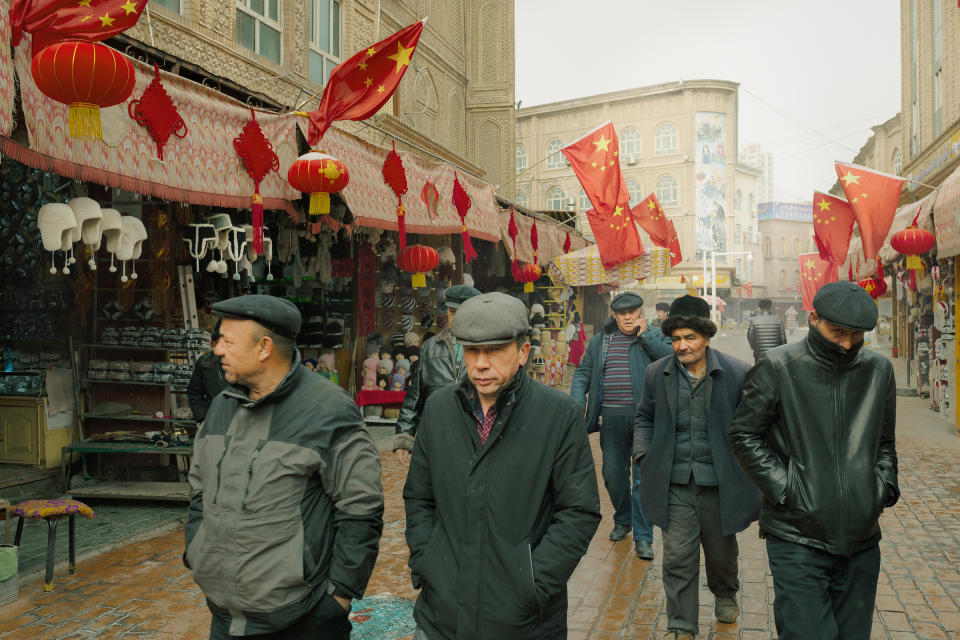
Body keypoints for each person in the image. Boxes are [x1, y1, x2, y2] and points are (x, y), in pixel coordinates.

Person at [185, 295, 384, 640]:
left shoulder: (328, 411)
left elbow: (361, 509)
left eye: (227, 341)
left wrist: (338, 597)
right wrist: (196, 551)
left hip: (302, 618)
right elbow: (200, 492)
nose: (217, 350)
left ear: (264, 348)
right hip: (226, 616)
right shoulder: (220, 407)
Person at [403, 292, 601, 639]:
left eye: (494, 351)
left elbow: (578, 511)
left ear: (523, 352)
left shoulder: (558, 415)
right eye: (471, 351)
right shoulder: (439, 409)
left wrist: (533, 583)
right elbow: (419, 497)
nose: (480, 364)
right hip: (442, 615)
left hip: (524, 620)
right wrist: (427, 562)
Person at [728, 281, 898, 640]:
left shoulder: (879, 371)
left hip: (862, 539)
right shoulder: (777, 366)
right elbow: (744, 435)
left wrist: (882, 487)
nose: (847, 343)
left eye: (856, 335)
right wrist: (787, 488)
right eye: (838, 332)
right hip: (796, 536)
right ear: (813, 318)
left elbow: (884, 443)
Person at [633, 295, 760, 640]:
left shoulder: (736, 373)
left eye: (690, 338)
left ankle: (724, 592)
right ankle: (681, 625)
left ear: (706, 338)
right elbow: (644, 417)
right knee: (676, 556)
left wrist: (747, 466)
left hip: (720, 483)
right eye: (676, 338)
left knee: (721, 553)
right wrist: (643, 453)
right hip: (673, 483)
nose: (682, 345)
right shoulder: (656, 373)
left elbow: (753, 425)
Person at [570, 292, 671, 559]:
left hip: (644, 422)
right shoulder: (600, 341)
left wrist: (645, 336)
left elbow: (671, 360)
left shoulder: (655, 337)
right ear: (614, 315)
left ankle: (643, 536)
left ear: (641, 312)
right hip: (610, 420)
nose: (628, 317)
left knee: (642, 479)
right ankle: (623, 517)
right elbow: (582, 373)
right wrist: (577, 402)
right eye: (622, 313)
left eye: (633, 312)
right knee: (613, 475)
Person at [392, 284, 481, 461]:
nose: (455, 317)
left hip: (475, 434)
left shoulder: (484, 346)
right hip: (437, 433)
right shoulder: (430, 347)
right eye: (452, 311)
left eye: (462, 312)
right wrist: (404, 436)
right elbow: (414, 396)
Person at [186, 320, 228, 423]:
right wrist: (204, 416)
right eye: (219, 342)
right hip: (213, 423)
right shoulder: (204, 363)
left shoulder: (245, 362)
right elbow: (194, 393)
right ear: (213, 343)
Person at [746, 299, 786, 363]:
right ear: (770, 308)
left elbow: (750, 336)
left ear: (760, 308)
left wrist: (754, 347)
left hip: (759, 353)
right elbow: (783, 339)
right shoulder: (778, 320)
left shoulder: (754, 320)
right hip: (775, 354)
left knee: (760, 371)